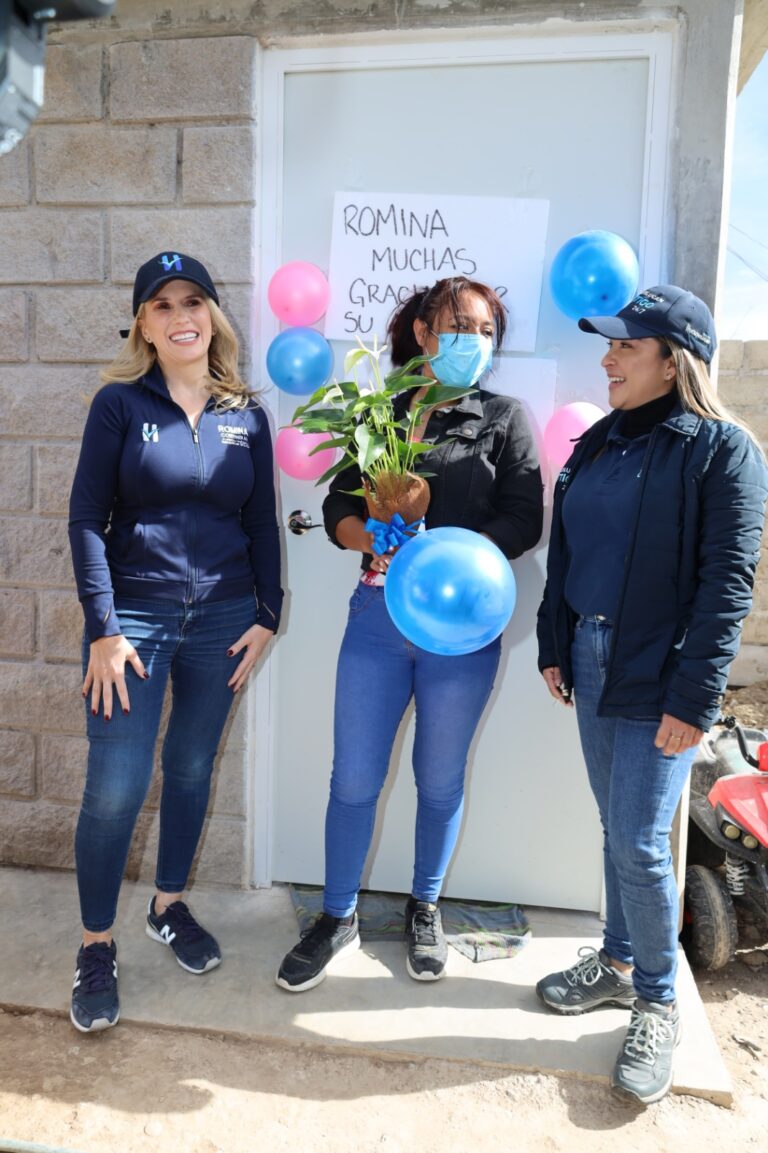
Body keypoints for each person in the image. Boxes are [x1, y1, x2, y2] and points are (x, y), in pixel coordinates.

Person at [276, 275, 543, 992]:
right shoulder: (380, 414)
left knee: (440, 778)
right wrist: (377, 537)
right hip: (377, 620)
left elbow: (526, 517)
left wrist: (443, 554)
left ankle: (426, 906)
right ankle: (336, 916)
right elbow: (336, 507)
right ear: (423, 333)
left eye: (486, 330)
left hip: (464, 631)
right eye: (460, 326)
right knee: (355, 777)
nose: (474, 342)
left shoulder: (504, 417)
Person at [536, 285, 768, 1104]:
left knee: (637, 837)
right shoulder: (599, 442)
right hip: (593, 659)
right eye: (610, 346)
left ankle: (659, 1001)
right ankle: (619, 956)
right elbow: (564, 553)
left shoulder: (721, 451)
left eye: (625, 347)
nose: (608, 358)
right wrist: (554, 642)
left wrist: (694, 697)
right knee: (615, 823)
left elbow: (725, 588)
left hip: (660, 674)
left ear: (674, 360)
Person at [68, 252, 282, 1033]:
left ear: (214, 315)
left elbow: (259, 520)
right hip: (136, 624)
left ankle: (168, 906)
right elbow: (87, 519)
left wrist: (270, 612)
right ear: (144, 326)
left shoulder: (245, 413)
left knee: (191, 767)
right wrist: (104, 628)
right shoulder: (119, 406)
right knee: (117, 786)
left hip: (225, 622)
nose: (180, 314)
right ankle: (96, 944)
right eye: (161, 305)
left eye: (193, 300)